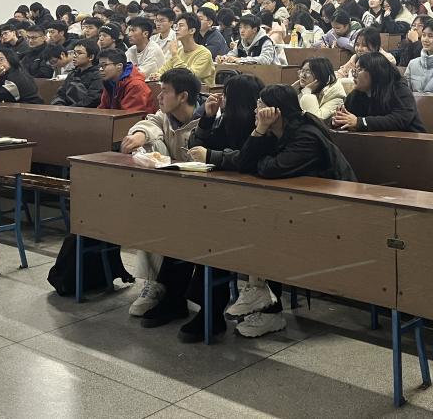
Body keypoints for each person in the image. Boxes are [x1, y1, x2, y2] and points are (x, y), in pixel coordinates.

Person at [143, 74, 266, 343]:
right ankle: (173, 298)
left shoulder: (261, 126)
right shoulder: (225, 121)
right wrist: (208, 119)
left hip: (252, 206)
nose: (223, 101)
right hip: (219, 198)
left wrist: (213, 156)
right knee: (183, 230)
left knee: (213, 240)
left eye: (228, 97)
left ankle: (211, 312)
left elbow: (249, 159)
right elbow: (197, 146)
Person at [230, 84, 358, 338]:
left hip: (335, 213)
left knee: (265, 226)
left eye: (260, 105)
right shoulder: (275, 132)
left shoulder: (306, 136)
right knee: (253, 219)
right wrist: (259, 131)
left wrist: (260, 155)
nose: (255, 110)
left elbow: (270, 169)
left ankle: (266, 304)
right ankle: (263, 299)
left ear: (276, 111)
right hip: (302, 208)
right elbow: (245, 163)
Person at [121, 68, 202, 321]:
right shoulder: (165, 116)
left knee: (171, 221)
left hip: (200, 195)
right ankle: (154, 283)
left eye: (165, 91)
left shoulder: (206, 120)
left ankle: (166, 286)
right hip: (169, 192)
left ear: (183, 96)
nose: (159, 96)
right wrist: (139, 134)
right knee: (152, 215)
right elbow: (151, 122)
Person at [333, 53, 426, 132]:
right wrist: (338, 122)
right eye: (354, 70)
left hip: (409, 142)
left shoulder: (399, 89)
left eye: (359, 70)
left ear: (375, 73)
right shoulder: (356, 94)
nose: (354, 74)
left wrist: (361, 122)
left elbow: (401, 118)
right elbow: (349, 119)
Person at [151, 13, 215, 85]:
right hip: (179, 89)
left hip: (199, 91)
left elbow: (189, 77)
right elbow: (164, 70)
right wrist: (158, 75)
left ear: (192, 31)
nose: (176, 29)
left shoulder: (204, 53)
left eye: (181, 26)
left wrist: (174, 54)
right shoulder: (179, 51)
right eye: (176, 26)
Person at [51, 39, 103, 107]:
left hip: (84, 112)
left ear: (91, 57)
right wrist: (58, 105)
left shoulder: (98, 75)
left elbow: (92, 99)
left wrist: (69, 109)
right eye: (74, 52)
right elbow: (60, 94)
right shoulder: (72, 74)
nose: (74, 56)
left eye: (79, 53)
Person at [294, 57, 345, 123]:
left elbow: (316, 120)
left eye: (308, 71)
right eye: (302, 70)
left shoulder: (336, 95)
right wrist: (292, 92)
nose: (302, 75)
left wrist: (307, 92)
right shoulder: (300, 90)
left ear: (321, 75)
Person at [220, 14, 285, 65]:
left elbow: (265, 60)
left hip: (271, 74)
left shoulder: (265, 41)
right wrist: (224, 58)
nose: (242, 31)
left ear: (254, 30)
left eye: (245, 27)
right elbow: (232, 54)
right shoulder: (241, 42)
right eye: (240, 27)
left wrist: (240, 60)